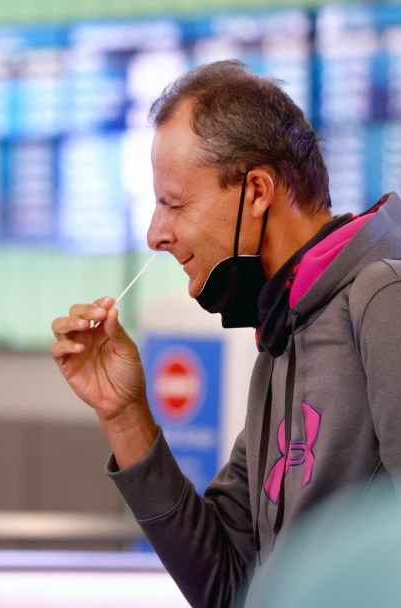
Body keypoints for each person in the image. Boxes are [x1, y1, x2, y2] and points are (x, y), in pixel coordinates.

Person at [50, 59, 401, 607]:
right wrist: (124, 415)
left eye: (173, 202)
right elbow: (223, 585)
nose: (154, 234)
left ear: (257, 191)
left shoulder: (382, 299)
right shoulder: (282, 338)